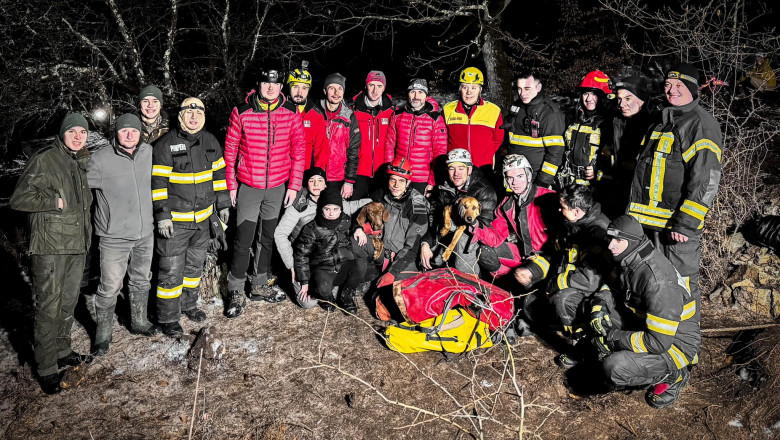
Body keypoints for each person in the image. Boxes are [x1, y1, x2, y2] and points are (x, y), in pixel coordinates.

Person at [11, 113, 94, 394]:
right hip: (50, 248)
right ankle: (46, 368)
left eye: (83, 132)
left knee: (68, 301)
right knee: (48, 306)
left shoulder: (78, 161)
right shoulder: (45, 159)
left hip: (75, 246)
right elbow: (18, 198)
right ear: (62, 134)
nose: (78, 136)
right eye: (73, 131)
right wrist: (52, 200)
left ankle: (63, 349)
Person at [628, 62, 722, 302]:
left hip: (676, 228)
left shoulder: (700, 124)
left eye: (680, 85)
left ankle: (685, 339)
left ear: (693, 89)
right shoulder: (662, 120)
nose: (672, 90)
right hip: (649, 224)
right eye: (668, 85)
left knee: (681, 289)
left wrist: (686, 224)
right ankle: (659, 338)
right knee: (654, 286)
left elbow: (706, 179)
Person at [592, 215, 700, 409]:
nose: (610, 245)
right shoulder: (630, 257)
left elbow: (657, 343)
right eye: (610, 238)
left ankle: (674, 374)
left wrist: (613, 339)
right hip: (647, 325)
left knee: (614, 367)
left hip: (675, 344)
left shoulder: (657, 281)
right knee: (598, 320)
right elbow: (613, 282)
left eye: (618, 240)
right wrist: (600, 303)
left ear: (632, 241)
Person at [223, 68, 305, 313]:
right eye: (266, 83)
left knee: (266, 239)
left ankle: (258, 285)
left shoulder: (291, 113)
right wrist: (231, 184)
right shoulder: (242, 111)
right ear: (258, 85)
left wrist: (294, 185)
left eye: (276, 84)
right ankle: (236, 290)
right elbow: (230, 151)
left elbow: (298, 152)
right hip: (249, 185)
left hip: (278, 187)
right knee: (242, 240)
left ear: (281, 86)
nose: (271, 88)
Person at [152, 97, 231, 336]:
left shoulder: (210, 141)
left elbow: (219, 175)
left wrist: (224, 204)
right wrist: (162, 215)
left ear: (203, 116)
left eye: (198, 114)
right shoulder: (166, 144)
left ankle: (188, 305)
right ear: (180, 117)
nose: (194, 118)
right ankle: (168, 318)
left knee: (193, 269)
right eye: (189, 113)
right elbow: (158, 182)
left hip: (203, 221)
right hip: (175, 223)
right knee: (170, 272)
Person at [86, 114, 161, 356]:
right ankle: (103, 336)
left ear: (140, 133)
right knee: (109, 287)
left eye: (134, 131)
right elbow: (78, 189)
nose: (129, 135)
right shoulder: (99, 159)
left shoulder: (149, 153)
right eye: (124, 131)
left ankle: (138, 322)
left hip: (145, 232)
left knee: (141, 279)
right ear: (115, 133)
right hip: (113, 237)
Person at [274, 167, 371, 308]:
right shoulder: (299, 204)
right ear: (306, 184)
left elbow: (351, 207)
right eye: (311, 181)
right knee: (308, 303)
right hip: (303, 256)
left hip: (326, 255)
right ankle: (320, 285)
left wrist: (376, 199)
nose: (316, 184)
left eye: (320, 181)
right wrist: (291, 265)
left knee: (358, 251)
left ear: (325, 184)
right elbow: (280, 234)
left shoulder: (331, 198)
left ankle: (335, 285)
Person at [546, 184, 612, 366]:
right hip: (585, 282)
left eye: (563, 207)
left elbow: (590, 281)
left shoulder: (596, 232)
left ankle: (584, 347)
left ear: (576, 211)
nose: (559, 210)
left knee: (563, 299)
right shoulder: (577, 223)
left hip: (602, 292)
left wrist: (556, 283)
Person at [470, 154, 557, 288]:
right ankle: (506, 288)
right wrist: (474, 225)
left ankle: (529, 290)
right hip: (525, 255)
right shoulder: (507, 204)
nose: (515, 182)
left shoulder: (548, 198)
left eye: (520, 176)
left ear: (529, 176)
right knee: (484, 253)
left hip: (549, 258)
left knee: (525, 279)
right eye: (510, 178)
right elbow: (496, 237)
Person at [354, 157, 429, 286]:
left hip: (403, 257)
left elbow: (413, 246)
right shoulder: (380, 194)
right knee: (354, 241)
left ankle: (388, 273)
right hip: (382, 250)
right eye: (392, 179)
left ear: (408, 183)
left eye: (401, 181)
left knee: (394, 291)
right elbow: (360, 213)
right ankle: (371, 271)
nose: (396, 185)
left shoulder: (417, 205)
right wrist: (358, 228)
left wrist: (392, 273)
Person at [421, 149, 497, 275]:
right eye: (452, 168)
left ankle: (469, 285)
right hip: (449, 233)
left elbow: (483, 227)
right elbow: (435, 223)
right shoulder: (443, 189)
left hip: (477, 241)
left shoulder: (484, 191)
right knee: (428, 251)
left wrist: (457, 225)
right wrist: (425, 244)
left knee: (462, 241)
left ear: (470, 170)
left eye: (461, 168)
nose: (456, 173)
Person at [293, 188, 368, 314]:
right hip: (323, 269)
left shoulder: (345, 220)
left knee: (361, 263)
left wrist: (358, 228)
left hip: (343, 265)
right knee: (323, 285)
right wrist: (304, 282)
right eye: (327, 209)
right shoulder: (311, 228)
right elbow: (301, 255)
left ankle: (346, 295)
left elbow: (353, 221)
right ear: (321, 209)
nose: (332, 213)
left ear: (340, 209)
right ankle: (326, 298)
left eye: (336, 209)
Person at [384, 78, 447, 196]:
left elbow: (440, 152)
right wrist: (389, 173)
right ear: (408, 94)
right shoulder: (397, 115)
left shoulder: (435, 119)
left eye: (420, 92)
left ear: (426, 95)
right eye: (412, 92)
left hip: (422, 178)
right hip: (400, 176)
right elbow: (389, 144)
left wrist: (432, 181)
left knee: (419, 211)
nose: (416, 96)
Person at [604, 75, 654, 217]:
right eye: (619, 99)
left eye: (628, 98)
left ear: (641, 100)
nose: (621, 104)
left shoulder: (651, 126)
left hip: (637, 193)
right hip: (614, 190)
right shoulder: (616, 123)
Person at [504, 72, 566, 188]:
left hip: (535, 178)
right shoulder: (516, 106)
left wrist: (542, 183)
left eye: (527, 89)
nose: (522, 94)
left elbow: (555, 153)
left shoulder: (550, 113)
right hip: (513, 175)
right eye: (519, 89)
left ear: (538, 87)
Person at [442, 67, 504, 175]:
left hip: (483, 168)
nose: (469, 92)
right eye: (465, 87)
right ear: (460, 89)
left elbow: (498, 139)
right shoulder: (448, 110)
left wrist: (485, 154)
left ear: (480, 89)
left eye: (474, 88)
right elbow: (442, 140)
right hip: (457, 170)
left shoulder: (493, 111)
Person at [559, 70, 614, 187]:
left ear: (602, 96)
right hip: (568, 182)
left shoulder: (608, 122)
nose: (589, 98)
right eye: (585, 94)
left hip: (593, 186)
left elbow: (612, 155)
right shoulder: (572, 117)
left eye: (594, 94)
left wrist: (597, 169)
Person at [351, 70, 396, 198]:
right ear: (366, 86)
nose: (375, 90)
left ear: (384, 88)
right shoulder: (354, 111)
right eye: (372, 85)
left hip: (383, 171)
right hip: (359, 172)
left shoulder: (392, 112)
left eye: (379, 86)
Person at [320, 73, 361, 198]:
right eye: (332, 88)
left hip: (337, 178)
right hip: (316, 176)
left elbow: (353, 151)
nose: (336, 92)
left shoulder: (349, 118)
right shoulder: (315, 112)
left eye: (340, 89)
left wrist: (349, 180)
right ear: (325, 91)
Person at [287, 62, 329, 172]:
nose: (299, 92)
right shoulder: (279, 110)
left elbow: (321, 149)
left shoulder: (315, 115)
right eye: (295, 87)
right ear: (289, 86)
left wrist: (318, 174)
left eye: (304, 88)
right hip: (279, 176)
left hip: (303, 174)